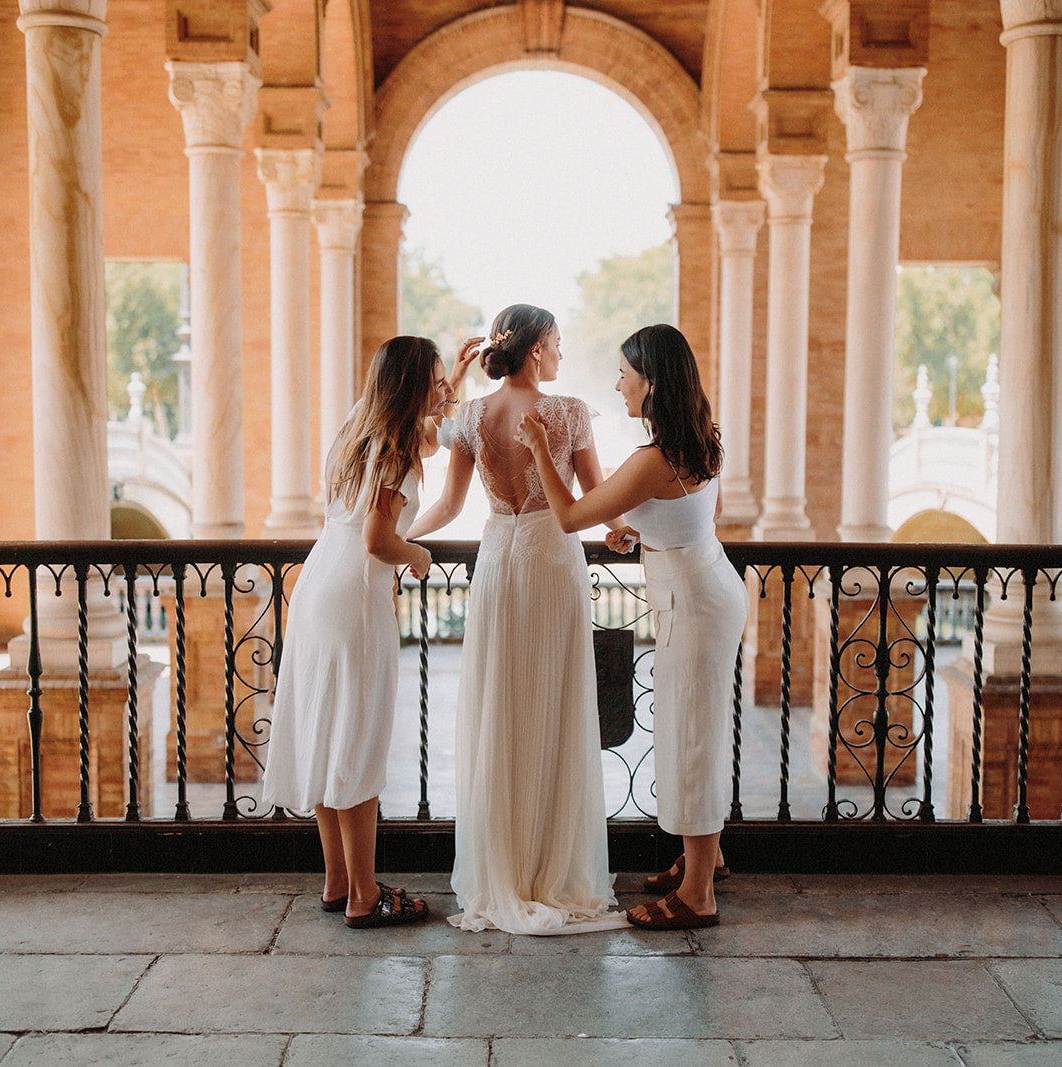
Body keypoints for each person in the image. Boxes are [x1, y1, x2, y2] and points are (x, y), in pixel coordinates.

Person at [518, 323, 747, 930]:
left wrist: (542, 448)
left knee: (693, 737)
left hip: (693, 607)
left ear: (651, 381)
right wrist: (645, 529)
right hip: (710, 587)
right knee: (695, 727)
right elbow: (705, 513)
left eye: (624, 374)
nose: (617, 385)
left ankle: (698, 895)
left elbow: (568, 517)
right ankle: (707, 858)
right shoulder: (701, 439)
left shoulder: (654, 458)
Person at [407, 303, 623, 935]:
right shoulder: (568, 412)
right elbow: (596, 497)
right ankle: (551, 868)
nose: (559, 353)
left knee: (501, 702)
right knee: (553, 703)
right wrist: (618, 528)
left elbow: (448, 504)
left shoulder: (472, 416)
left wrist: (401, 546)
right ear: (535, 350)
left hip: (498, 562)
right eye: (555, 343)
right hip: (554, 561)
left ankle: (503, 868)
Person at [259, 335, 455, 929]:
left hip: (320, 583)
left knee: (327, 729)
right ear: (415, 386)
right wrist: (416, 557)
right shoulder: (396, 450)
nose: (445, 390)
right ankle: (366, 896)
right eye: (438, 380)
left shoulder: (357, 434)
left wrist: (456, 384)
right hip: (356, 595)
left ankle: (337, 880)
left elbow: (438, 430)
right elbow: (379, 539)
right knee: (359, 738)